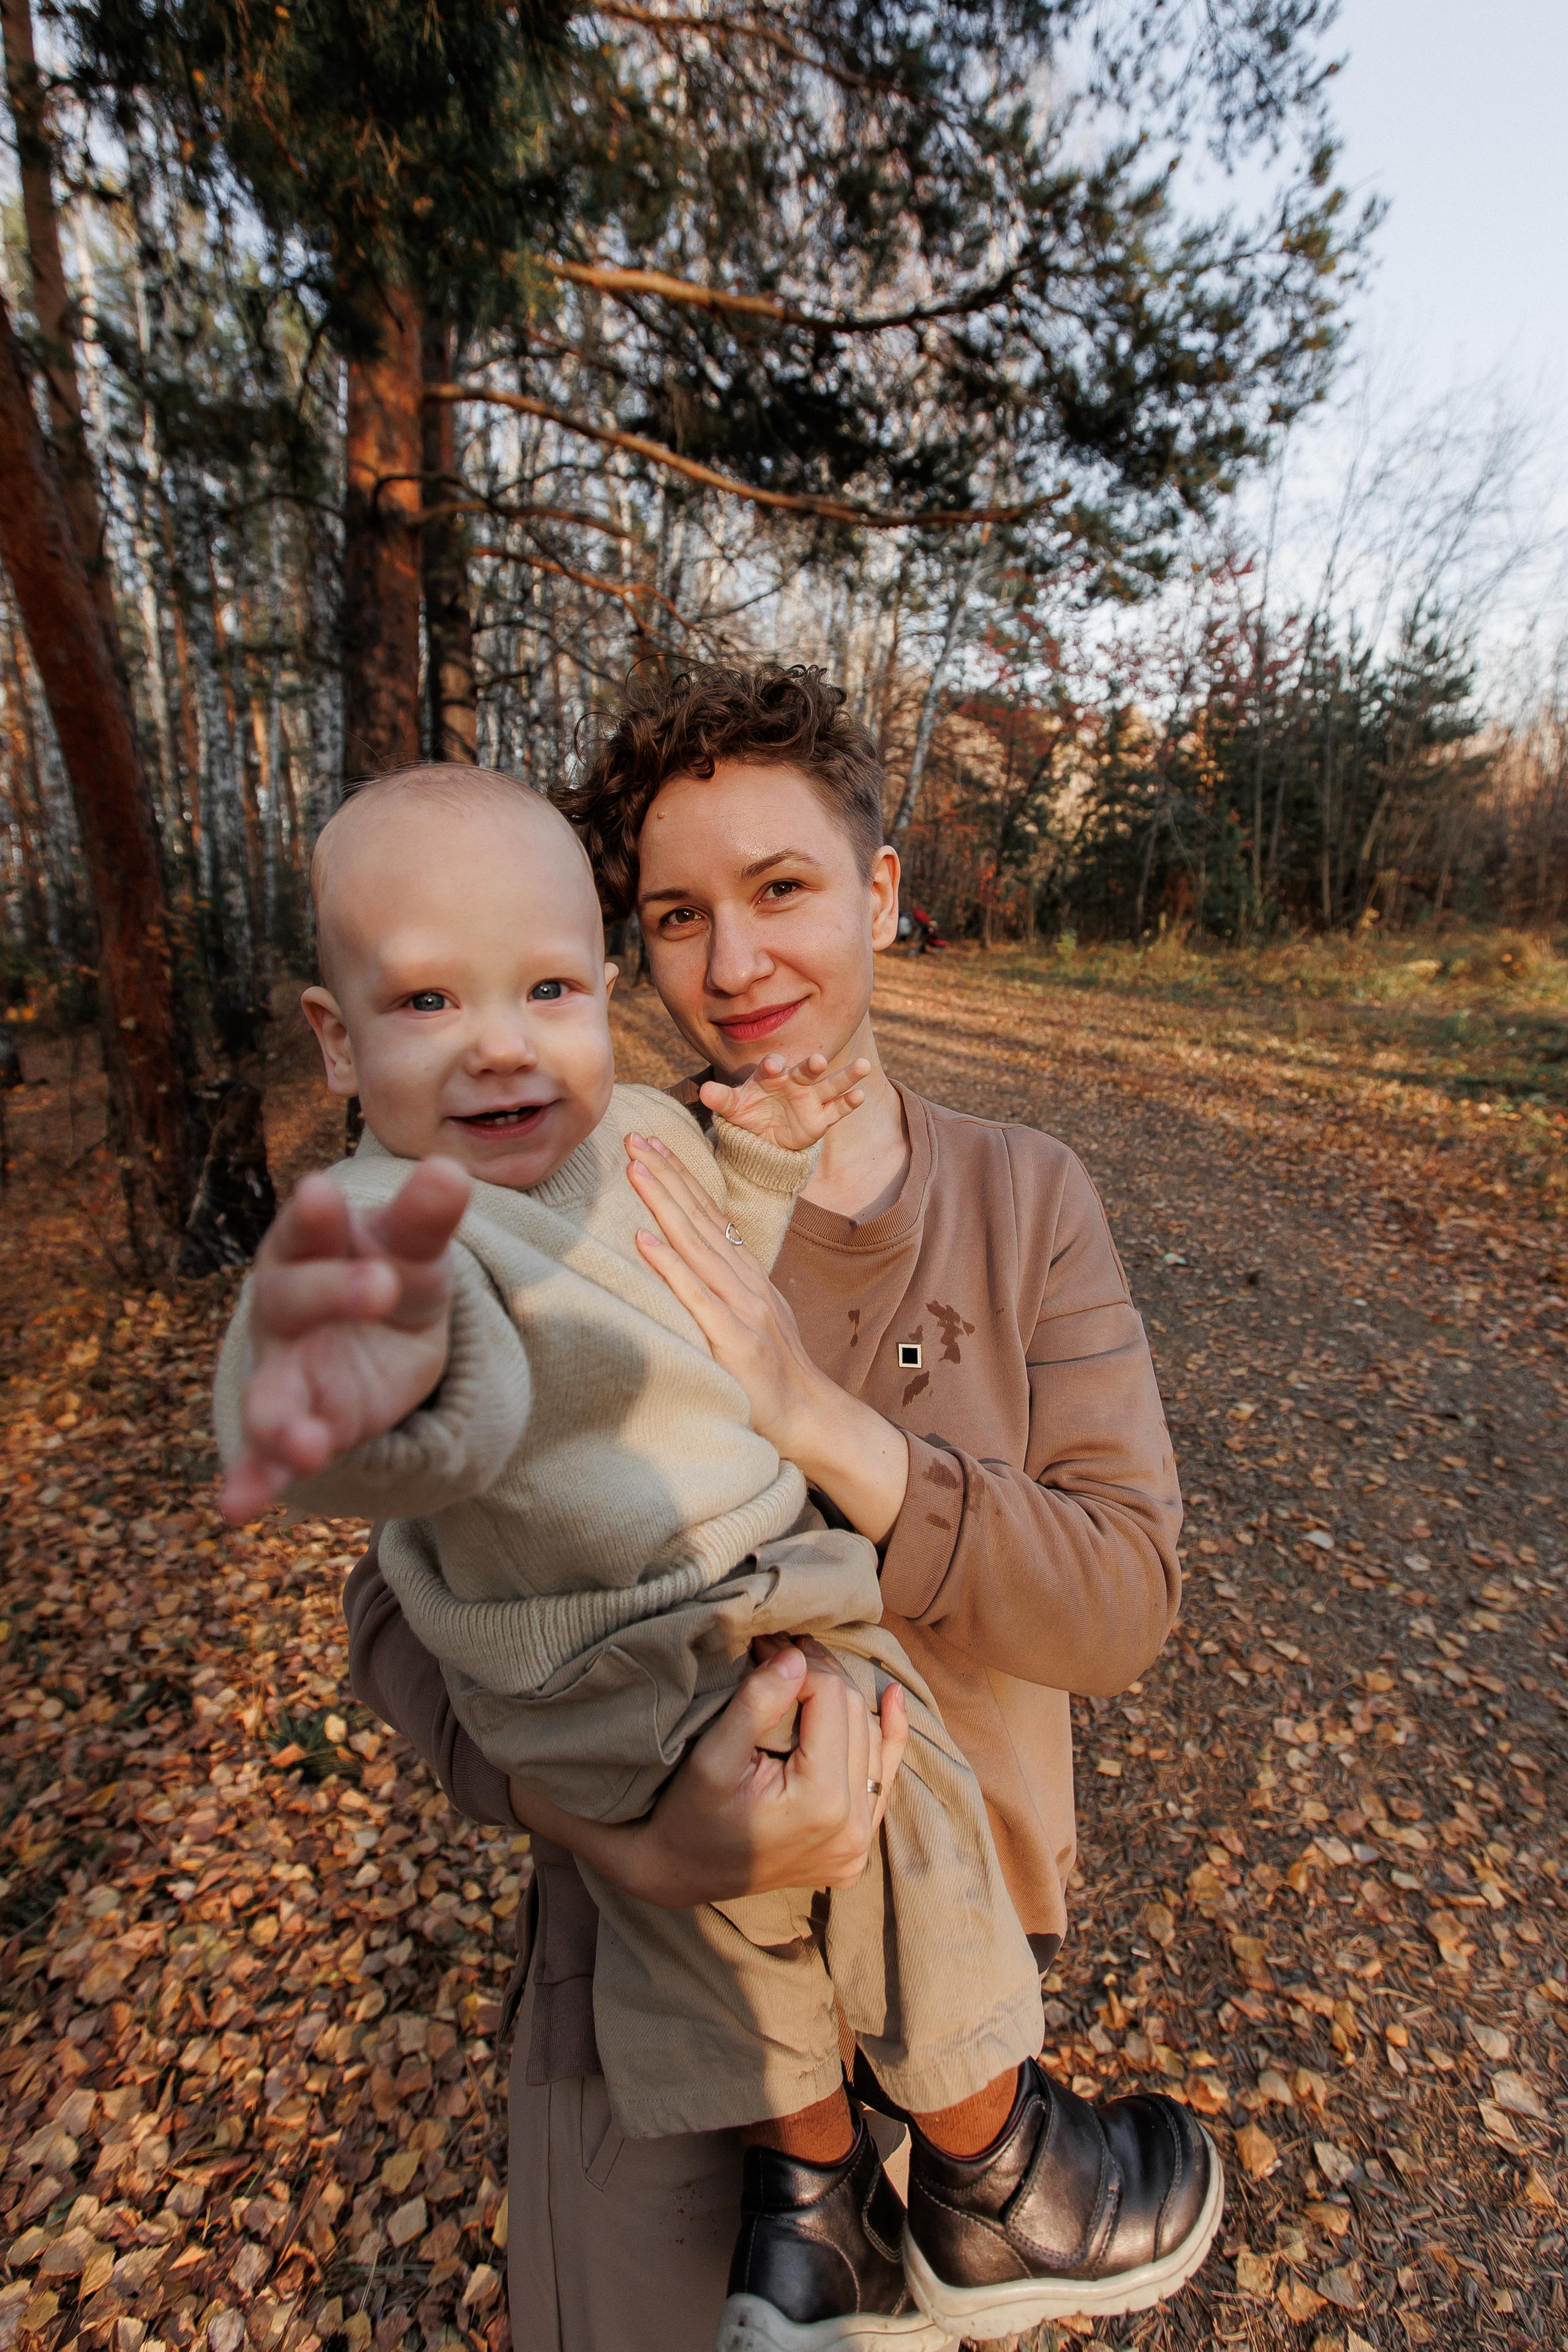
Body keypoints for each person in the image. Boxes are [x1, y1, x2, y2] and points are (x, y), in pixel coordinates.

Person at [344, 666, 1219, 2351]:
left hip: (966, 1994)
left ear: (882, 893)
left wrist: (817, 1415)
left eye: (783, 890)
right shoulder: (570, 1177)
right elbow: (395, 1600)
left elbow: (1122, 1602)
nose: (733, 966)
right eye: (677, 915)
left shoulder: (1024, 1201)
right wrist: (629, 1835)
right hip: (657, 2005)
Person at [216, 766, 1070, 2348]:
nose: (498, 1039)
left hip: (685, 1638)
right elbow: (352, 1430)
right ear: (338, 1040)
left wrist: (768, 1168)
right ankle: (996, 2170)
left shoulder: (648, 1146)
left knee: (773, 1917)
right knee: (853, 1822)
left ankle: (821, 2229)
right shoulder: (396, 1214)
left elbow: (692, 1260)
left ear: (882, 893)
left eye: (544, 986)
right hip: (624, 1660)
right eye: (425, 998)